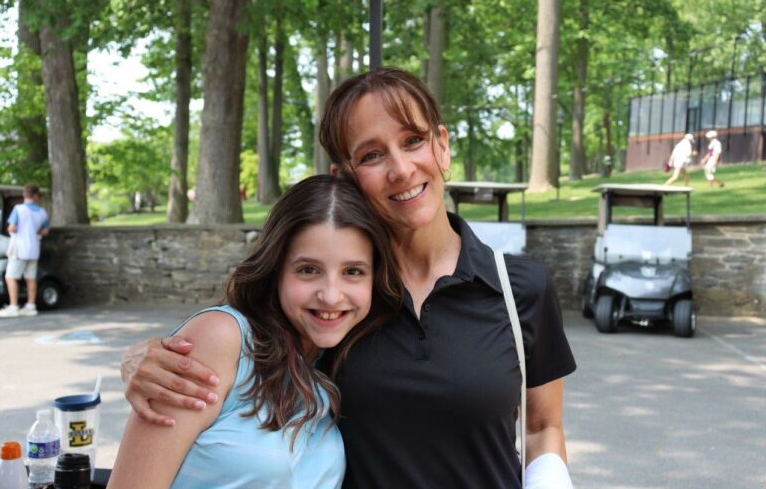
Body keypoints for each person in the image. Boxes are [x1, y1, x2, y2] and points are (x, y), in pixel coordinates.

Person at [120, 67, 577, 488]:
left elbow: (543, 427)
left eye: (413, 140)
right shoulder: (342, 301)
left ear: (442, 145)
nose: (401, 169)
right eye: (372, 154)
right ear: (345, 176)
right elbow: (245, 339)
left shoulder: (520, 289)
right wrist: (145, 356)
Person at [108, 175, 402, 488]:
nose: (331, 295)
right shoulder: (221, 339)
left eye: (353, 272)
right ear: (276, 269)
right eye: (308, 270)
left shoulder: (341, 358)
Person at [0, 185, 49, 318]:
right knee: (30, 278)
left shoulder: (19, 209)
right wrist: (34, 232)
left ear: (24, 195)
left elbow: (11, 228)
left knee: (10, 277)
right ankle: (31, 306)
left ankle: (13, 306)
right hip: (34, 248)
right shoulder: (42, 212)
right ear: (36, 196)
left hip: (19, 248)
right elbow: (45, 231)